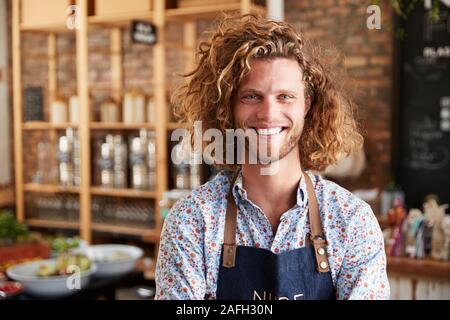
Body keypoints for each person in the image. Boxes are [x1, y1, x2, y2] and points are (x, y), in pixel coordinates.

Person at [155, 14, 390, 300]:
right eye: (251, 96)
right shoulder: (192, 222)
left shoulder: (351, 221)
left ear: (308, 104)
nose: (268, 114)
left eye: (285, 97)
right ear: (227, 107)